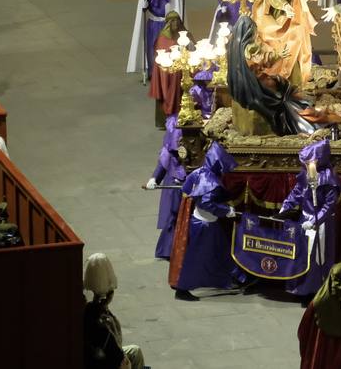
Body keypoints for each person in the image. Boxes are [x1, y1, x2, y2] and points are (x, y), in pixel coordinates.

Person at [170, 142, 246, 299]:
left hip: (205, 222)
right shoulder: (210, 181)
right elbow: (206, 203)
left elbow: (187, 189)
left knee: (222, 250)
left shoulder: (200, 172)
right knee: (196, 258)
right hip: (204, 225)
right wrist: (226, 211)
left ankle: (236, 278)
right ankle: (182, 289)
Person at [278, 139, 341, 299]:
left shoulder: (329, 181)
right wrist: (286, 206)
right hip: (304, 222)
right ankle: (301, 289)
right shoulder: (306, 174)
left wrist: (314, 221)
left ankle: (317, 290)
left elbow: (328, 206)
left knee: (317, 259)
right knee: (302, 256)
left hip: (321, 225)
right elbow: (297, 192)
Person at [83, 253, 145, 369]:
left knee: (135, 351)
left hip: (100, 356)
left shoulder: (88, 309)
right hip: (105, 362)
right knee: (131, 361)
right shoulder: (101, 327)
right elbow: (117, 357)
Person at [144, 116, 186, 260]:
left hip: (190, 180)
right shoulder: (169, 149)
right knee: (172, 216)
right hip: (174, 182)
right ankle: (168, 250)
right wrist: (154, 178)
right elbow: (163, 163)